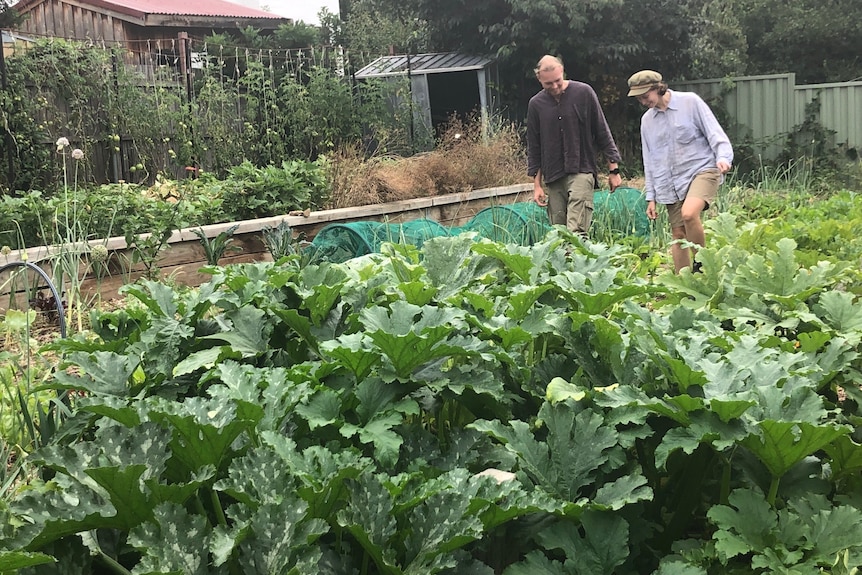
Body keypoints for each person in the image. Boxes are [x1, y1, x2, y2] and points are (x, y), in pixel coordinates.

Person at [627, 70, 733, 273]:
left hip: (702, 169)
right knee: (678, 234)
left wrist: (723, 157)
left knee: (689, 213)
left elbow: (714, 132)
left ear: (658, 88)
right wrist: (651, 196)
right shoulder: (647, 121)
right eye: (638, 98)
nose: (642, 101)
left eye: (645, 96)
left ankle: (702, 264)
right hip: (669, 182)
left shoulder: (690, 102)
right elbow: (649, 160)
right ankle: (682, 284)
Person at [527, 55, 622, 236]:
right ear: (539, 78)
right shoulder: (536, 105)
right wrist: (537, 185)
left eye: (558, 81)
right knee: (559, 233)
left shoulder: (583, 93)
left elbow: (602, 130)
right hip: (553, 175)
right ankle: (567, 264)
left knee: (576, 230)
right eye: (548, 84)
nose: (554, 87)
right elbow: (534, 147)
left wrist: (614, 170)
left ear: (562, 72)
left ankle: (578, 261)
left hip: (581, 168)